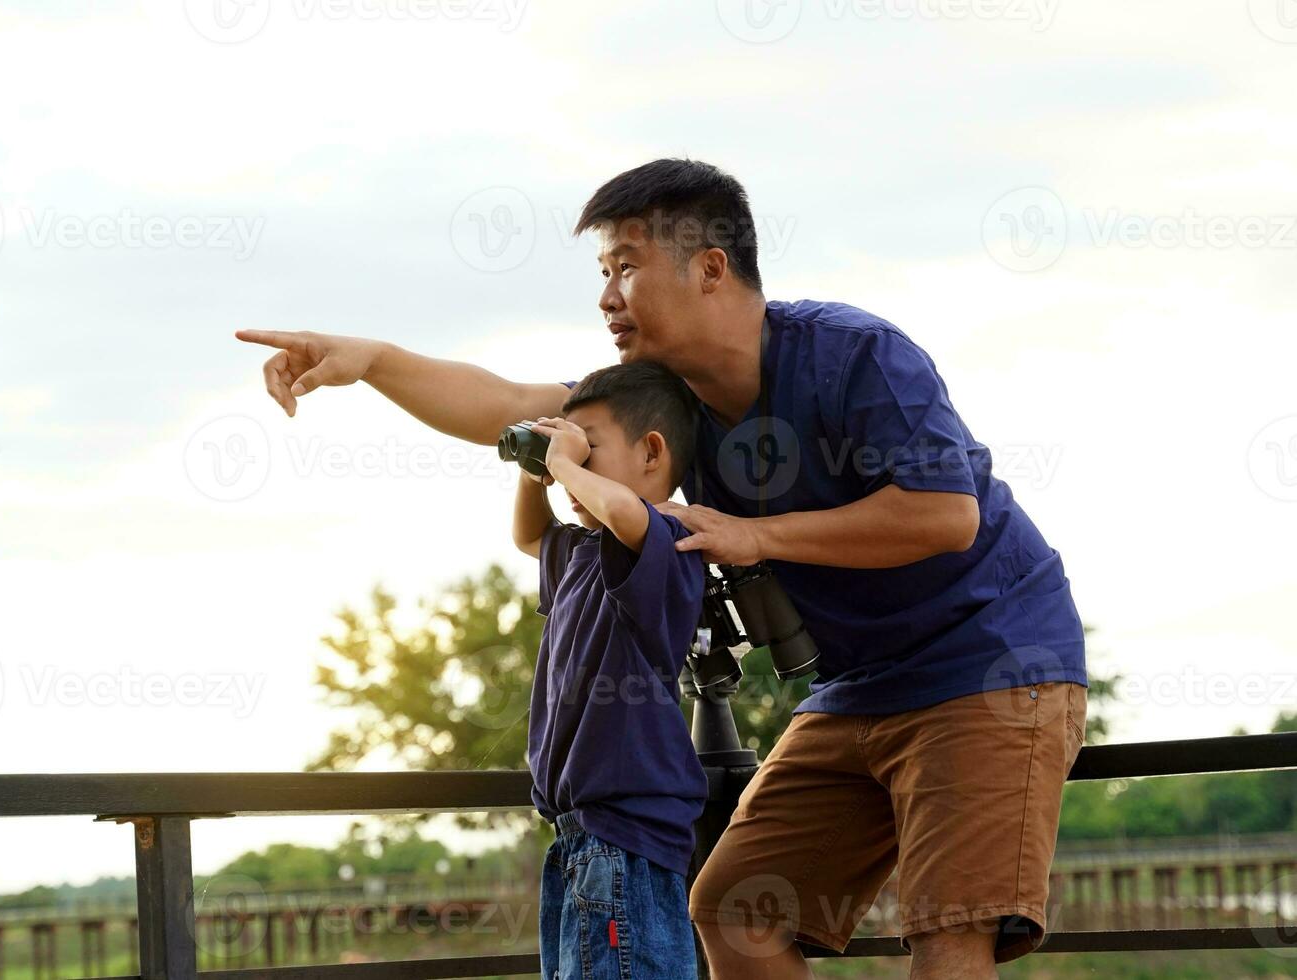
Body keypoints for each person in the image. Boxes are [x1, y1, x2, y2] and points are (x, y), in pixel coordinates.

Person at [235, 157, 1087, 980]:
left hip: (990, 664)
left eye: (625, 268)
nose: (607, 298)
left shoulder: (858, 356)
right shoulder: (665, 402)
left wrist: (758, 537)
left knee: (947, 936)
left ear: (709, 267)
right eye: (603, 274)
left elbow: (944, 514)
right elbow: (506, 405)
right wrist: (371, 361)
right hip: (860, 686)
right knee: (732, 909)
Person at [513, 360, 707, 980]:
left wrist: (564, 465)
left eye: (591, 448)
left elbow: (627, 514)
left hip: (627, 835)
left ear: (652, 453)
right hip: (578, 835)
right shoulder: (581, 551)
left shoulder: (668, 543)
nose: (574, 469)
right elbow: (529, 536)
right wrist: (538, 470)